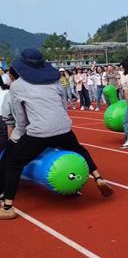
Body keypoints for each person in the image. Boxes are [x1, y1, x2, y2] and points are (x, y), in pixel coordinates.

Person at [0, 49, 112, 220]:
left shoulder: (17, 86)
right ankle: (98, 178)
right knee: (79, 149)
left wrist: (14, 140)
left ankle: (7, 206)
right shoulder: (54, 82)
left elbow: (20, 120)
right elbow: (63, 106)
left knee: (13, 162)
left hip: (38, 131)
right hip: (63, 128)